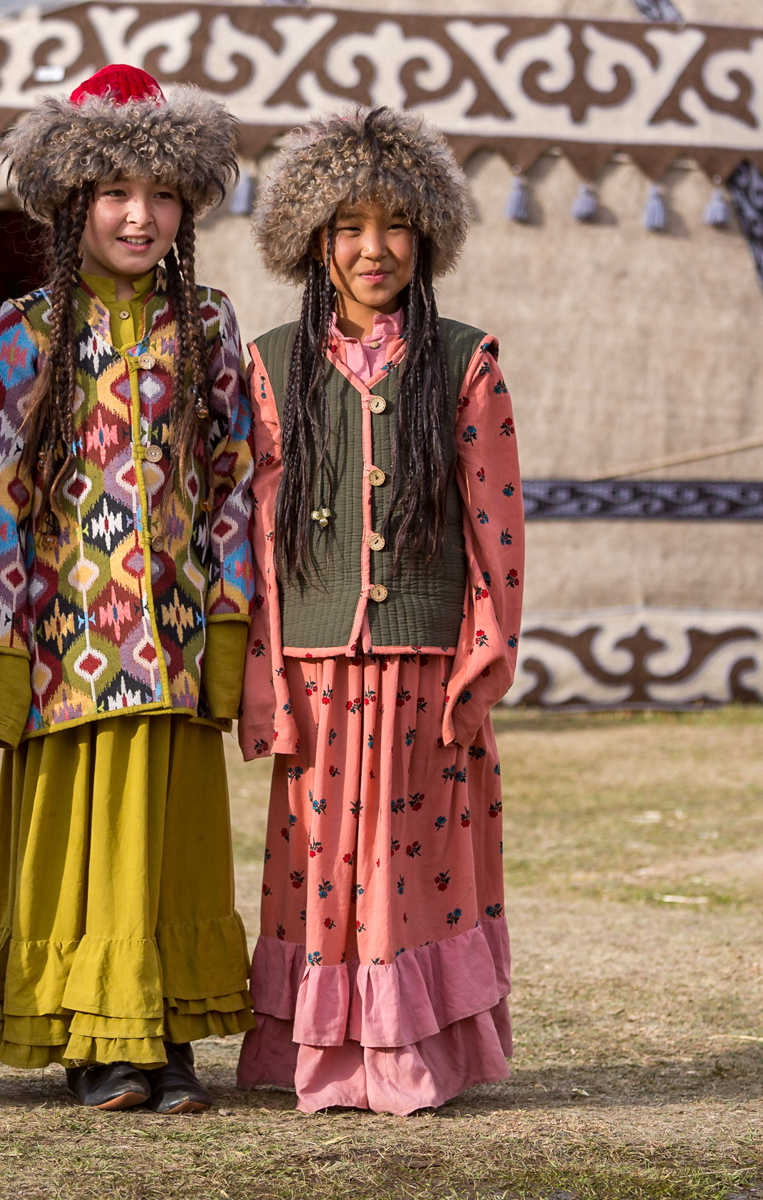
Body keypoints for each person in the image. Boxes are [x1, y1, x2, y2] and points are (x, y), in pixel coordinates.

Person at [0, 65, 255, 1114]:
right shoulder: (27, 330)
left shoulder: (211, 327)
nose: (140, 215)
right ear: (72, 202)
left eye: (162, 194)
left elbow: (236, 488)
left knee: (167, 847)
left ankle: (164, 1036)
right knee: (82, 845)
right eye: (117, 193)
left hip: (170, 641)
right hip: (66, 645)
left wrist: (229, 627)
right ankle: (98, 1040)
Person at [233, 108, 525, 1115]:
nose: (372, 248)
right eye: (348, 227)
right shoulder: (269, 365)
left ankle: (411, 1056)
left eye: (395, 226)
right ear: (315, 240)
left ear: (426, 238)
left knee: (417, 867)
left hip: (424, 662)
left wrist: (484, 657)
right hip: (315, 661)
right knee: (319, 864)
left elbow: (498, 525)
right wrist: (262, 675)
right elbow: (258, 536)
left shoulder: (465, 357)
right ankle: (317, 1055)